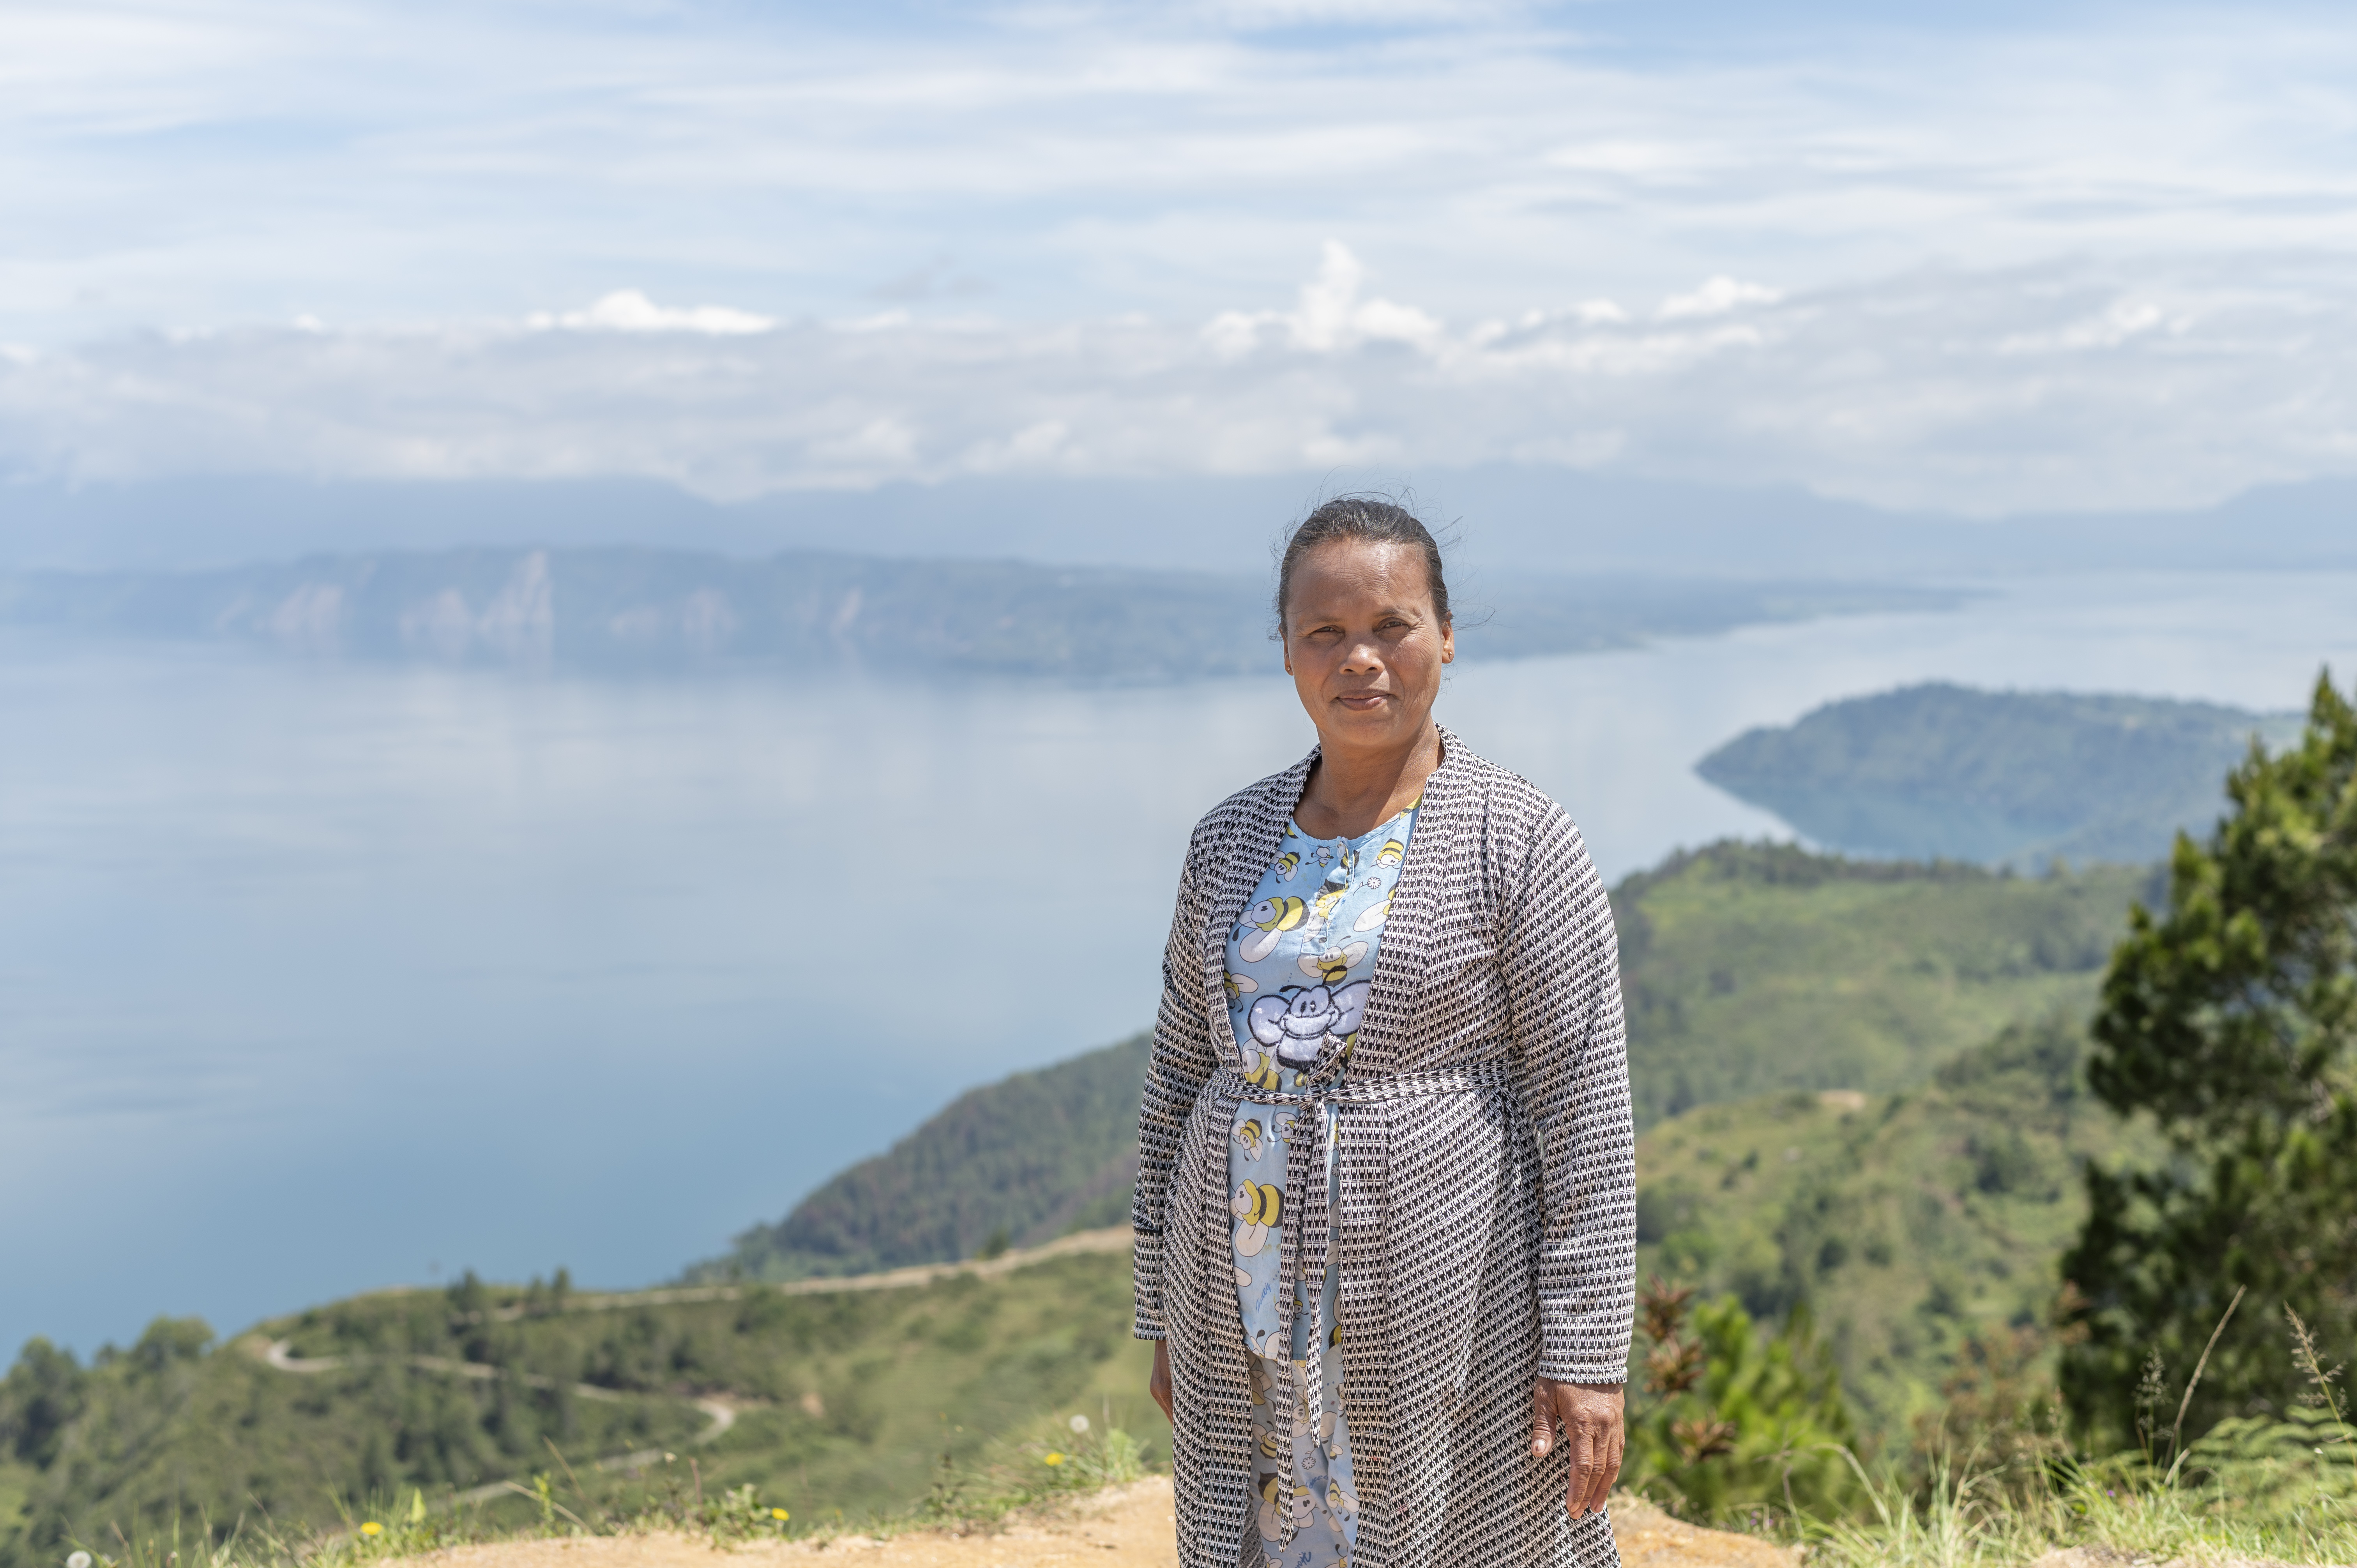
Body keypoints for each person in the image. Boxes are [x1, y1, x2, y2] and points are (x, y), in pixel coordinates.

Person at [1131, 498, 1636, 1568]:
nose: (1360, 659)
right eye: (1326, 632)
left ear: (1445, 637)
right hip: (1238, 1282)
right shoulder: (1227, 837)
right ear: (1287, 651)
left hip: (1445, 1292)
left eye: (1391, 626)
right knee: (1263, 1531)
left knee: (1461, 1533)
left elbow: (1585, 1108)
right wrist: (1165, 1309)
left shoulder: (1519, 837)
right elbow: (1176, 1080)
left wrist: (1589, 1352)